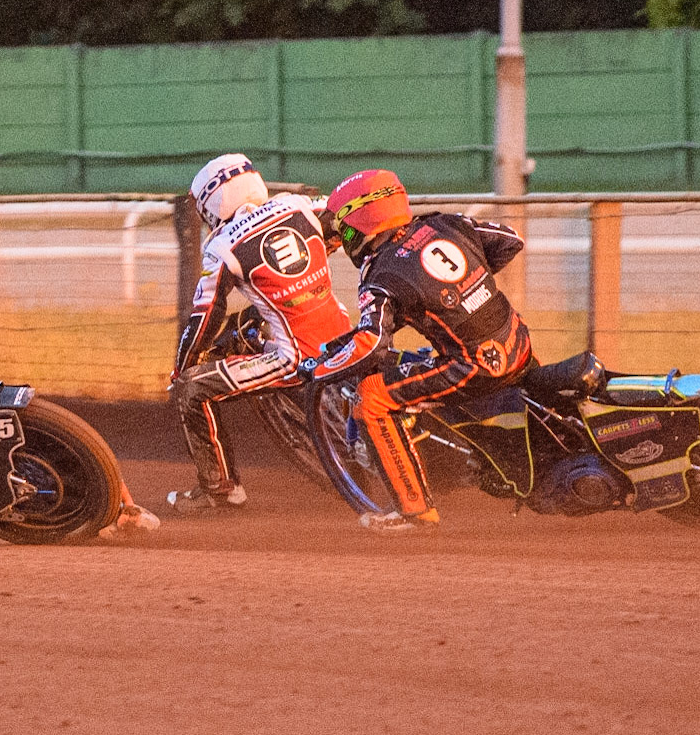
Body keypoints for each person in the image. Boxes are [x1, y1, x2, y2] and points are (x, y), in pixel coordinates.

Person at [301, 169, 535, 532]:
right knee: (423, 362)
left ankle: (414, 510)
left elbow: (369, 344)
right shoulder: (446, 224)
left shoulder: (380, 276)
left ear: (361, 220)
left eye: (343, 225)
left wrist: (318, 368)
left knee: (375, 396)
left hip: (477, 367)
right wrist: (463, 294)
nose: (341, 235)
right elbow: (510, 240)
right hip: (518, 340)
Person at [166, 153, 353, 512]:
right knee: (252, 320)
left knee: (192, 389)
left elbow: (205, 317)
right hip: (347, 335)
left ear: (211, 201)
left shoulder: (222, 246)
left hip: (295, 359)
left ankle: (220, 489)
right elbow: (345, 219)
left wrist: (180, 368)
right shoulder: (297, 206)